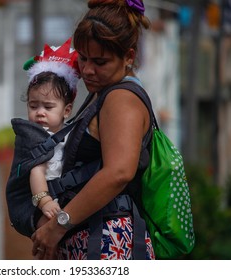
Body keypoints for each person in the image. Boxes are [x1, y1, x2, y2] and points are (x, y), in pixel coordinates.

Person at [31, 0, 156, 260]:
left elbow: (118, 172)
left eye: (100, 61)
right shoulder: (104, 92)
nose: (87, 70)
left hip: (107, 245)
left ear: (129, 57)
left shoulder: (121, 99)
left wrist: (58, 225)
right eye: (83, 58)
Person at [23, 38, 80, 219]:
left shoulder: (72, 132)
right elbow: (37, 171)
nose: (40, 113)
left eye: (48, 107)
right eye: (33, 106)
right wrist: (44, 200)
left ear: (67, 110)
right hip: (49, 203)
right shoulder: (37, 139)